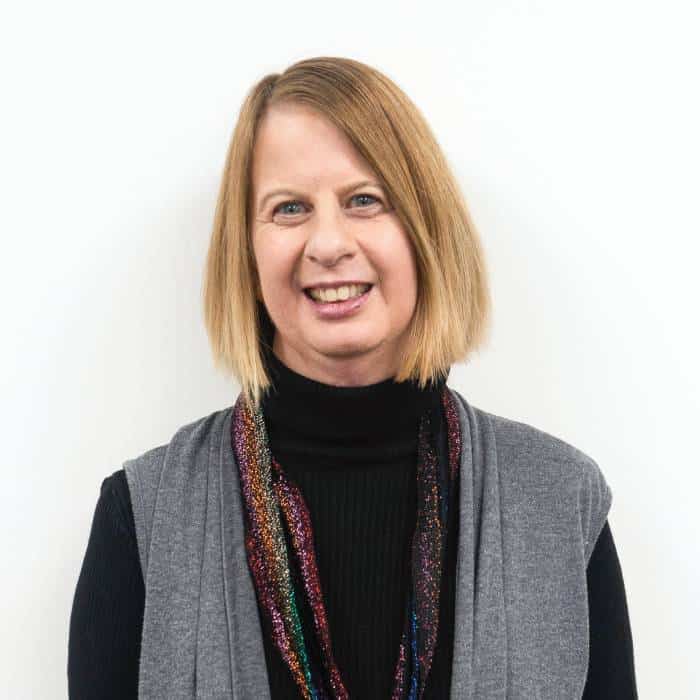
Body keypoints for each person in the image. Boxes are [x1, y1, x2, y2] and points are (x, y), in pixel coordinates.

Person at [68, 56, 637, 699]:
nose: (329, 243)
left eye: (365, 200)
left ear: (425, 231)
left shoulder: (560, 502)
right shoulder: (142, 517)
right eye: (289, 209)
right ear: (247, 250)